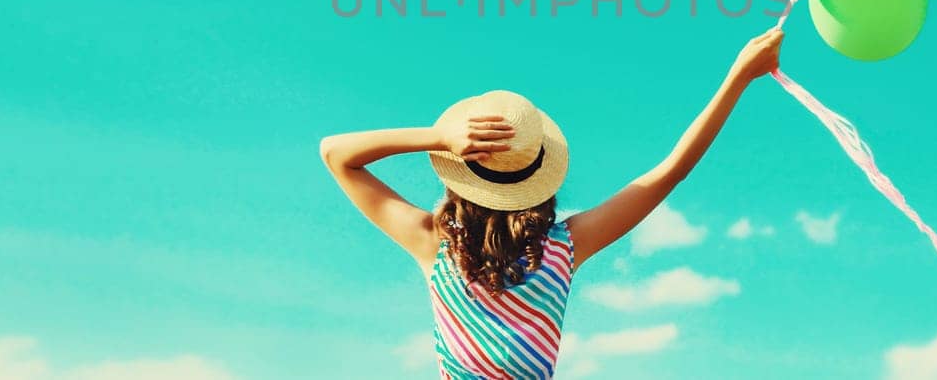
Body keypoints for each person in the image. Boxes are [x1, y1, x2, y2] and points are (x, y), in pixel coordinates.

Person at [319, 27, 784, 379]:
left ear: (458, 176)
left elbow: (336, 155)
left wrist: (435, 137)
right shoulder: (565, 244)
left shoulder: (432, 243)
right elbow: (670, 172)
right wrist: (738, 77)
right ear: (540, 176)